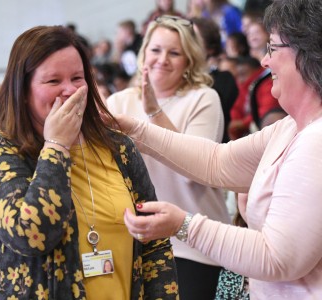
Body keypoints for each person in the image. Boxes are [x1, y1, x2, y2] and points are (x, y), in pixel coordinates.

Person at [110, 0, 322, 298]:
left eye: (272, 48)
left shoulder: (315, 140)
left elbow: (278, 258)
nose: (264, 61)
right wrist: (135, 128)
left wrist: (184, 225)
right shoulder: (289, 127)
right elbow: (216, 161)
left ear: (305, 54)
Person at [0, 25, 178, 299]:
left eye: (77, 78)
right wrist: (56, 146)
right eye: (53, 81)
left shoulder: (118, 147)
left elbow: (154, 244)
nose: (69, 90)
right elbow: (32, 234)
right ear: (22, 90)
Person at [107, 15, 230, 300]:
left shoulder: (203, 99)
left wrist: (153, 113)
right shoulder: (119, 102)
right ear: (143, 53)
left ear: (189, 61)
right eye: (156, 50)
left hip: (193, 246)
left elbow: (195, 170)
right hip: (135, 243)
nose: (162, 59)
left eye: (174, 53)